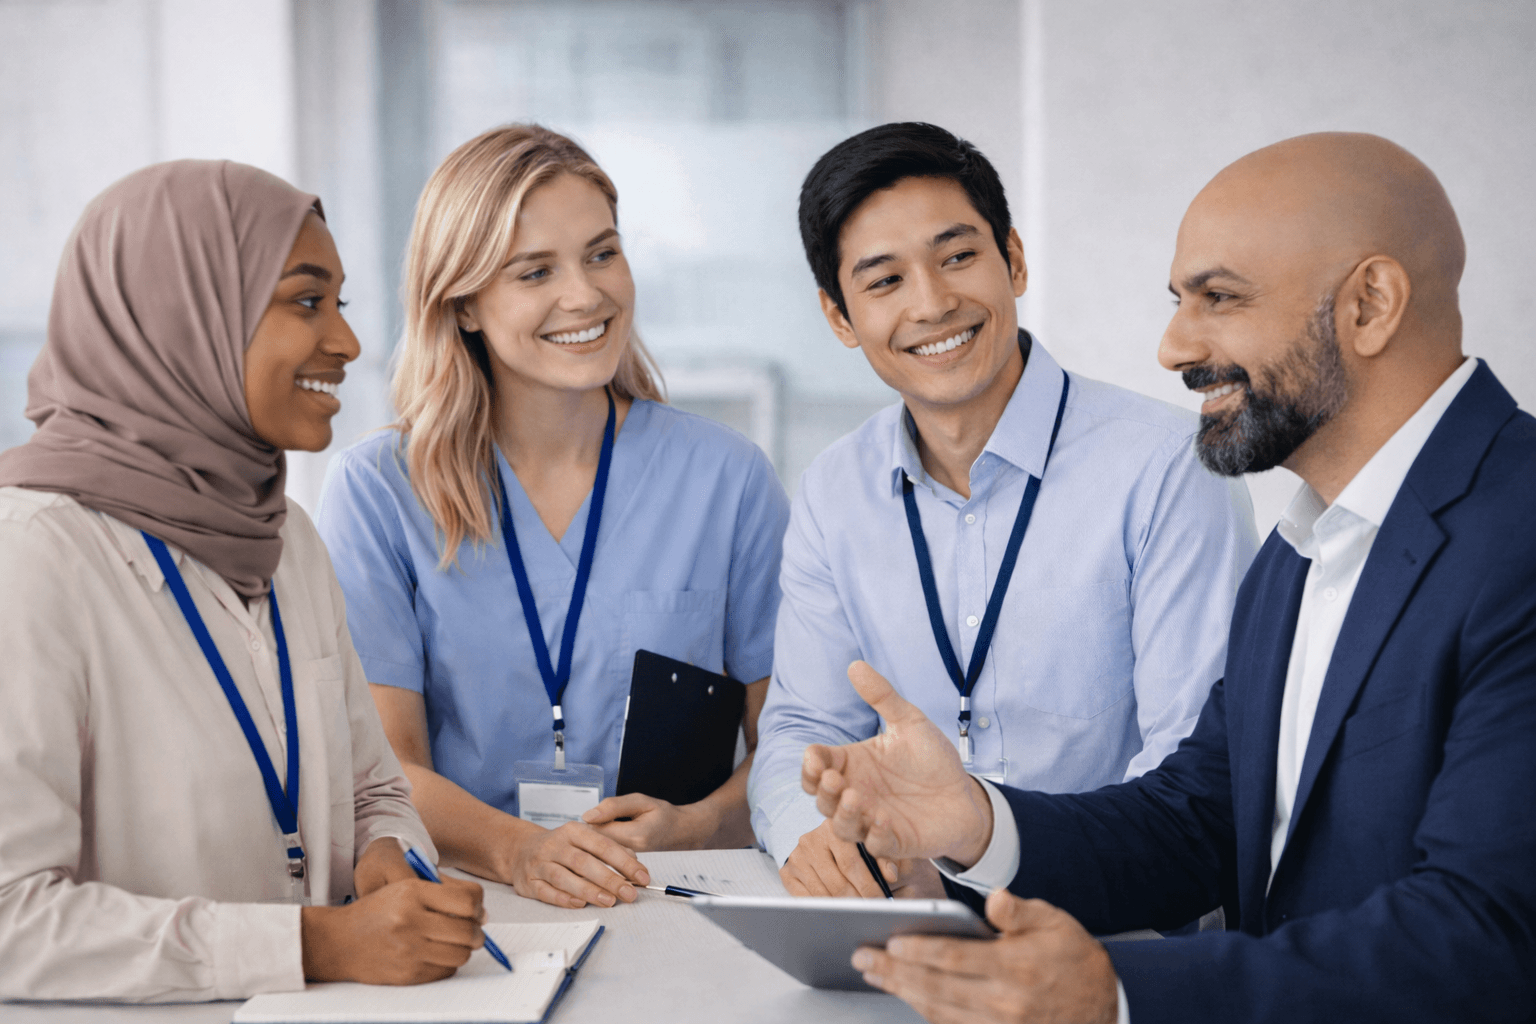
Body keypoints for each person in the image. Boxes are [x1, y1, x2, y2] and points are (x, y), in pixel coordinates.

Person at [799, 132, 1536, 1023]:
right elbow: (1197, 821)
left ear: (1370, 304)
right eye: (1179, 301)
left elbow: (1490, 932)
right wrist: (972, 821)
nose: (1173, 347)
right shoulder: (1296, 556)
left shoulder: (1518, 533)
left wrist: (1114, 992)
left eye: (1218, 298)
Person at [0, 161, 488, 1002]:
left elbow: (373, 786)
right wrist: (315, 943)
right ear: (179, 317)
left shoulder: (286, 536)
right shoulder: (33, 557)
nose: (347, 341)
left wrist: (387, 862)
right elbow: (11, 920)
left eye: (341, 302)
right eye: (307, 301)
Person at [748, 122, 1257, 898]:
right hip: (901, 913)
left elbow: (1192, 770)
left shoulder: (1166, 467)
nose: (932, 303)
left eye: (958, 257)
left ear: (1013, 260)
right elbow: (801, 732)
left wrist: (983, 855)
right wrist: (811, 837)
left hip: (1107, 916)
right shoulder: (833, 490)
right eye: (884, 282)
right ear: (839, 318)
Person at [316, 125, 790, 912]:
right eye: (536, 271)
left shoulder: (727, 478)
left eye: (602, 253)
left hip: (677, 896)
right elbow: (383, 769)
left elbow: (790, 741)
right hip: (472, 908)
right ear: (463, 304)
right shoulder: (376, 493)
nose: (586, 294)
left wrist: (700, 823)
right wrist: (520, 851)